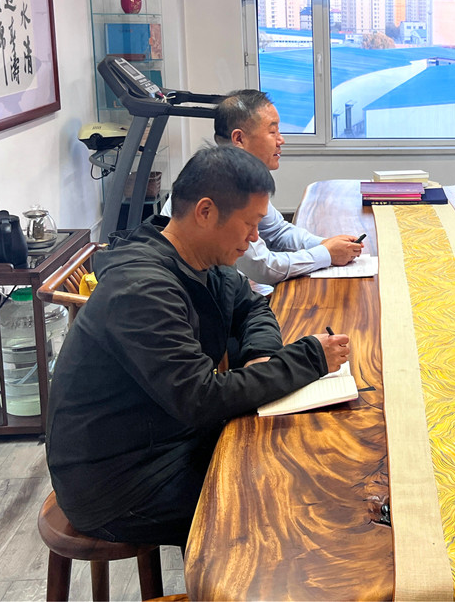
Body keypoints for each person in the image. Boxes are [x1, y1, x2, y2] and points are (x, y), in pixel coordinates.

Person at [47, 145, 350, 547]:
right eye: (249, 224)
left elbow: (252, 306)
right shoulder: (142, 289)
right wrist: (310, 357)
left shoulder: (201, 260)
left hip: (167, 439)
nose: (255, 238)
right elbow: (202, 398)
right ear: (205, 212)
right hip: (119, 483)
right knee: (283, 504)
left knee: (299, 460)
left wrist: (259, 356)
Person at [163, 89, 363, 295]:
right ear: (239, 138)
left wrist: (325, 244)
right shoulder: (223, 183)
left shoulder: (239, 174)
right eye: (272, 131)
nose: (281, 140)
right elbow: (262, 267)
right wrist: (326, 254)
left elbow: (278, 231)